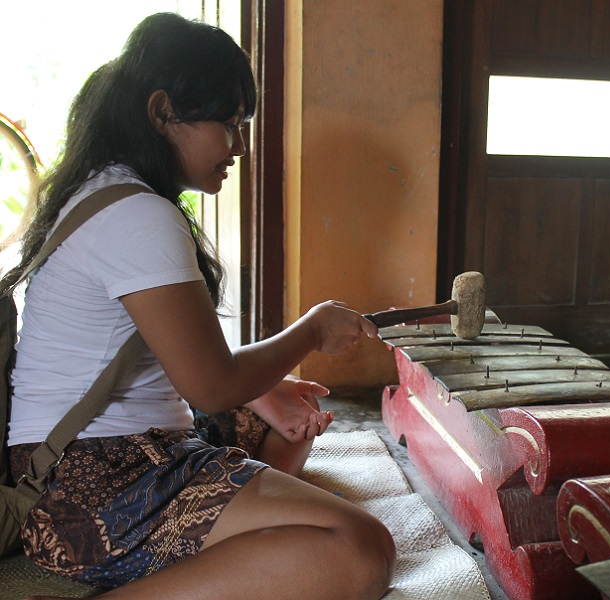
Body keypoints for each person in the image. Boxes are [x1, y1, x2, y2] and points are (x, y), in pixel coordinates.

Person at [2, 12, 395, 600]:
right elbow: (212, 387)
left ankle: (226, 546)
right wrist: (312, 330)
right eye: (230, 124)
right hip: (89, 488)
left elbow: (169, 356)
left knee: (283, 423)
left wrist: (262, 389)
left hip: (91, 460)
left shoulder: (107, 192)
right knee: (361, 548)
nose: (239, 145)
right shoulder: (137, 214)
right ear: (163, 113)